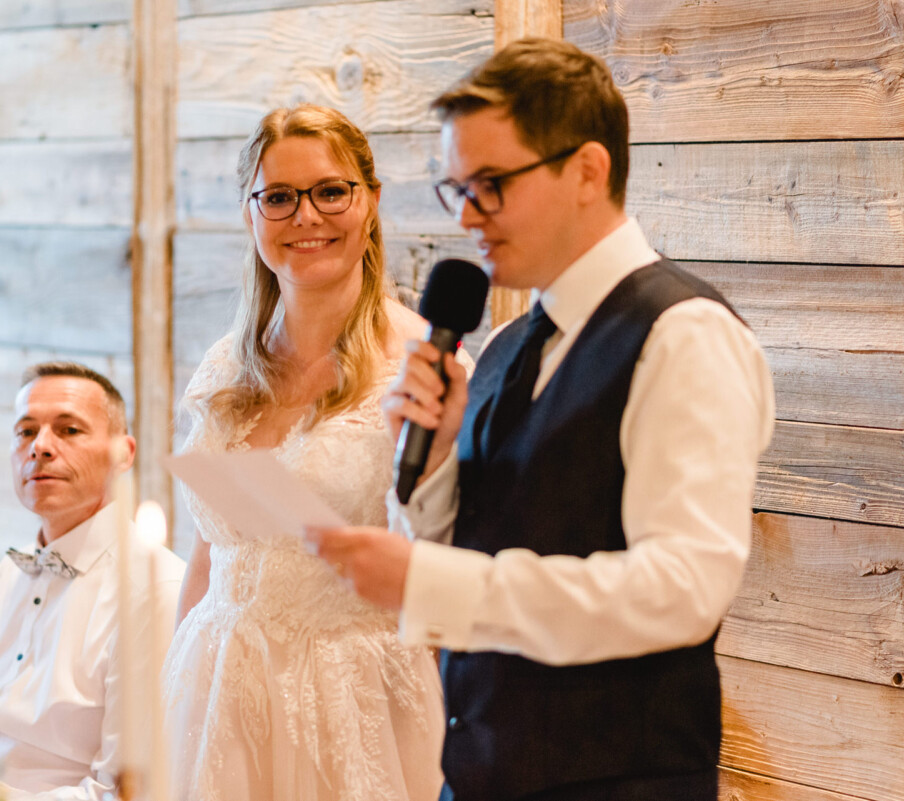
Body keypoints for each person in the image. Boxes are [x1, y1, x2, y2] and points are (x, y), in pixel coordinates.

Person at [307, 38, 776, 801]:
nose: (466, 217)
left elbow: (683, 588)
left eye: (489, 184)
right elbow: (483, 536)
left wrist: (440, 581)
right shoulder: (506, 342)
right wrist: (429, 468)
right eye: (454, 189)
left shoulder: (684, 334)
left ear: (588, 170)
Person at [164, 104, 454, 801]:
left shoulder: (421, 367)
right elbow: (210, 550)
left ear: (371, 201)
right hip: (218, 691)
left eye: (331, 191)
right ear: (250, 213)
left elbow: (450, 556)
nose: (307, 217)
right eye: (280, 197)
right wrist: (173, 687)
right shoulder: (223, 367)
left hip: (353, 696)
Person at [0, 362, 184, 799]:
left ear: (123, 453)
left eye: (69, 430)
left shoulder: (155, 590)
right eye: (26, 432)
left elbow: (120, 791)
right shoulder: (5, 573)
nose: (41, 447)